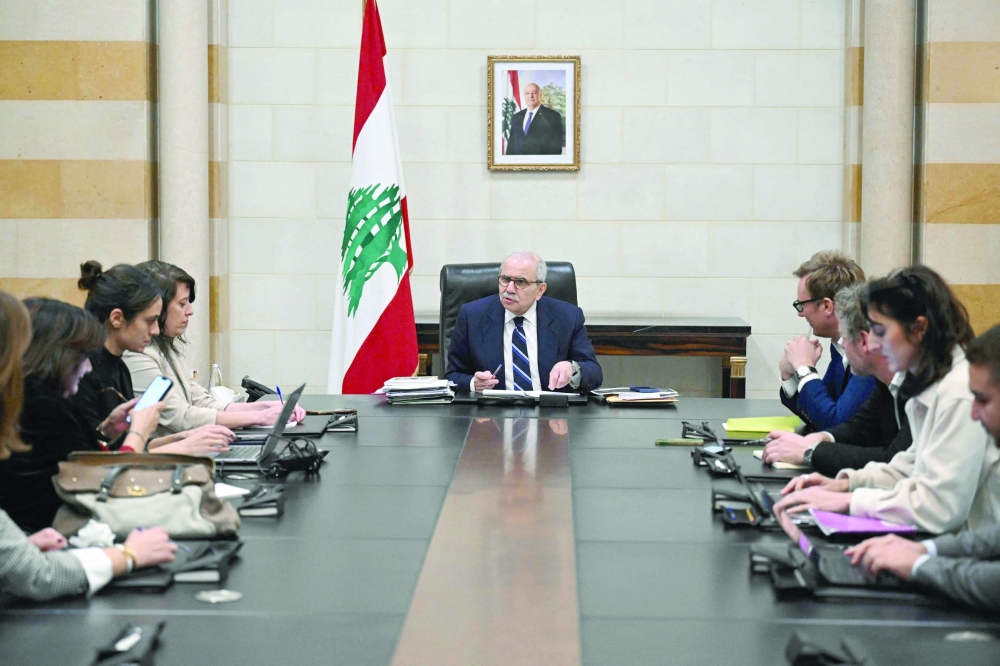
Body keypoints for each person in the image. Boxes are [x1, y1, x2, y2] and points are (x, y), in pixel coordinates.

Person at [774, 266, 999, 535]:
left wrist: (851, 500)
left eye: (880, 331)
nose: (874, 344)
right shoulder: (929, 381)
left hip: (976, 554)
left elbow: (941, 507)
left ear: (918, 330)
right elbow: (906, 467)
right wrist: (846, 483)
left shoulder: (958, 390)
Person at [0, 290, 175, 601]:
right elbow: (40, 575)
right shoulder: (42, 404)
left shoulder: (54, 399)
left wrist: (109, 433)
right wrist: (128, 555)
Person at [844, 323, 1000, 611]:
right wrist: (926, 550)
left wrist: (920, 565)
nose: (974, 413)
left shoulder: (953, 392)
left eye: (982, 400)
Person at [71, 260, 236, 453]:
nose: (156, 330)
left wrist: (183, 438)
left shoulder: (118, 367)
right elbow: (99, 466)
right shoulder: (81, 374)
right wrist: (180, 446)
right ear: (117, 318)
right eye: (150, 321)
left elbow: (114, 448)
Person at [124, 261, 303, 436]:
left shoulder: (165, 347)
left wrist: (264, 406)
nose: (190, 311)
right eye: (182, 303)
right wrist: (258, 417)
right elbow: (180, 417)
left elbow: (201, 402)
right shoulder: (137, 355)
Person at [763, 283, 912, 475]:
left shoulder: (920, 385)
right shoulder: (886, 384)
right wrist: (812, 441)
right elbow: (857, 428)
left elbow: (894, 460)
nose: (842, 347)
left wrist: (810, 452)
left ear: (865, 341)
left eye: (845, 338)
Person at [445, 251, 602, 393]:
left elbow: (594, 372)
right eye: (505, 279)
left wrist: (572, 368)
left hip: (551, 414)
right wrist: (473, 383)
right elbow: (453, 375)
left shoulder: (567, 316)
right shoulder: (472, 316)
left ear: (540, 290)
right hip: (492, 416)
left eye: (521, 282)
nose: (510, 289)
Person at [779, 250, 876, 430]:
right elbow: (820, 413)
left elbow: (835, 424)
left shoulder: (869, 351)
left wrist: (805, 367)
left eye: (802, 304)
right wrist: (789, 374)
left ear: (827, 306)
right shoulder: (839, 345)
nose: (800, 313)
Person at [504, 83, 564, 156]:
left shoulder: (553, 116)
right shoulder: (517, 117)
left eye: (534, 93)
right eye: (527, 93)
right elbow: (511, 146)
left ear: (540, 95)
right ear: (524, 96)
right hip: (518, 164)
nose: (530, 96)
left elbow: (556, 149)